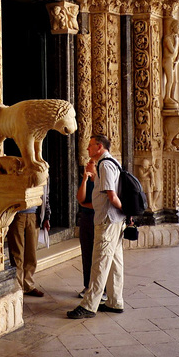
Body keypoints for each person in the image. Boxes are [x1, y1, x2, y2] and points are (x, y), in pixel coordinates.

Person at [67, 135, 125, 319]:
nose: (87, 149)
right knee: (115, 262)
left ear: (99, 146)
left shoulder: (105, 164)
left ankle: (89, 305)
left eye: (90, 145)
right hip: (114, 220)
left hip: (108, 221)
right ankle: (115, 302)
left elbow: (112, 196)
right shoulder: (112, 162)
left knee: (99, 263)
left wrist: (126, 210)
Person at [7, 181, 50, 297]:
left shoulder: (40, 169)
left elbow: (45, 195)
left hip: (34, 215)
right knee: (17, 254)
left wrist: (46, 217)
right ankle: (18, 288)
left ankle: (28, 285)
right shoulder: (15, 167)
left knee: (31, 254)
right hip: (16, 216)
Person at [76, 163, 107, 301]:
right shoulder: (87, 181)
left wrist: (85, 205)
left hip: (99, 219)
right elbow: (80, 199)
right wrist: (84, 180)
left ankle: (103, 288)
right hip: (86, 219)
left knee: (99, 255)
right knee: (87, 253)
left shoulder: (102, 182)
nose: (88, 164)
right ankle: (88, 285)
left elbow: (99, 204)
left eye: (91, 163)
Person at [162, 17, 179, 106]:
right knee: (170, 79)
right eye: (177, 27)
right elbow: (173, 51)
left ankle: (172, 96)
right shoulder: (167, 38)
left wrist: (177, 62)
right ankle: (166, 97)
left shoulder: (178, 39)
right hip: (167, 60)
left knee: (175, 81)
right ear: (172, 27)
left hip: (173, 61)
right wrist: (177, 42)